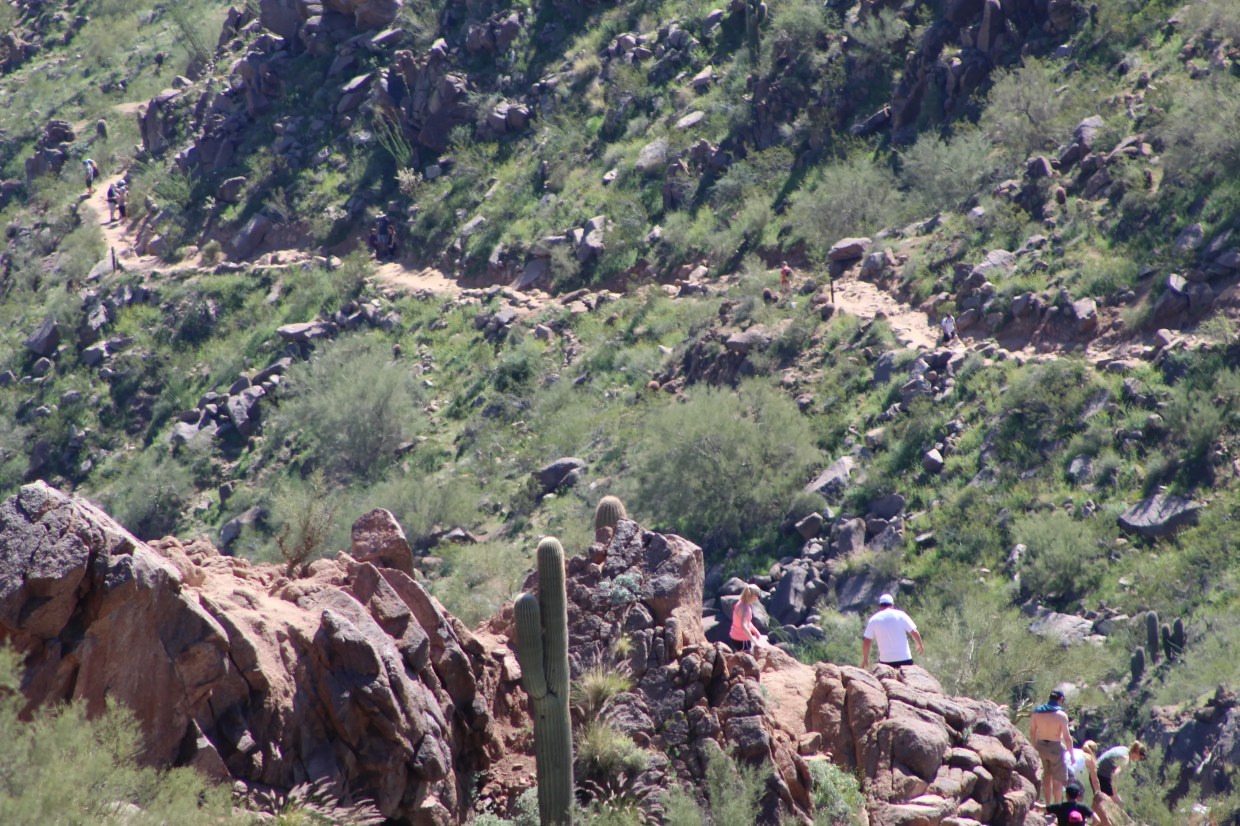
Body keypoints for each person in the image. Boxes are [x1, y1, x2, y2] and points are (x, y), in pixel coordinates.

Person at [1030, 689, 1073, 805]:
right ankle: (1057, 809)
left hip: (1040, 747)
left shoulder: (1037, 712)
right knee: (1057, 780)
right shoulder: (1061, 715)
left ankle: (1048, 806)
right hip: (1056, 748)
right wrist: (1072, 755)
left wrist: (1034, 748)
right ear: (1060, 700)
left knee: (1046, 777)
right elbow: (1067, 738)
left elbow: (1032, 733)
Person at [861, 593, 923, 668]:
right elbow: (914, 631)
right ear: (892, 605)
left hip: (886, 662)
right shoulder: (901, 615)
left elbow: (867, 641)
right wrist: (920, 645)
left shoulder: (874, 619)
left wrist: (865, 659)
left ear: (880, 606)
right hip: (905, 659)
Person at [1094, 740, 1146, 807]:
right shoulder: (1125, 759)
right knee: (1119, 804)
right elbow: (1115, 776)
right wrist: (1115, 794)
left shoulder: (1124, 749)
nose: (1138, 760)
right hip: (1101, 776)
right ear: (1137, 753)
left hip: (1096, 769)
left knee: (1112, 801)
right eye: (1140, 758)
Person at [729, 585, 765, 652]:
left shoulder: (740, 603)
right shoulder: (745, 608)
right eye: (758, 596)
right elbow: (744, 626)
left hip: (734, 635)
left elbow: (747, 621)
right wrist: (754, 641)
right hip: (741, 639)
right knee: (745, 658)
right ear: (754, 596)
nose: (758, 598)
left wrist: (755, 631)